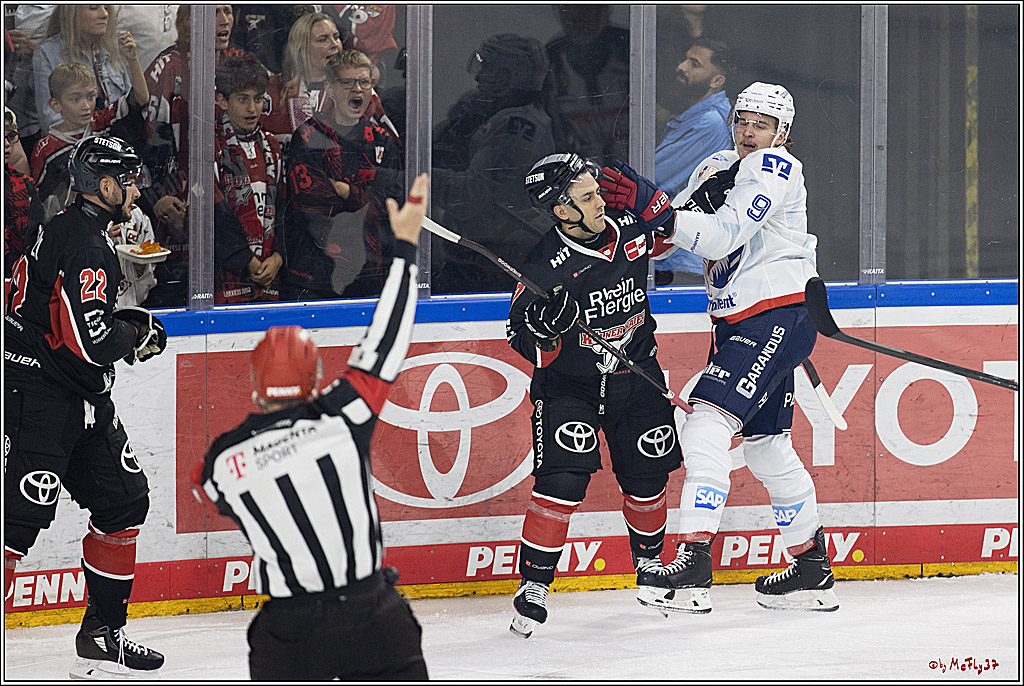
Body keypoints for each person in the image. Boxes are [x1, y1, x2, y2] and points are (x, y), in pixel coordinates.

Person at [598, 82, 839, 613]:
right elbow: (668, 237)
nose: (749, 131)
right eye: (743, 121)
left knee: (706, 423)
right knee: (767, 447)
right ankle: (811, 568)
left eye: (761, 124)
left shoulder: (776, 168)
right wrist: (612, 233)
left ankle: (694, 562)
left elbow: (723, 235)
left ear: (782, 133)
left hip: (775, 313)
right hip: (741, 320)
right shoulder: (717, 167)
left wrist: (659, 209)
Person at [193, 173, 431, 681]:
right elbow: (387, 340)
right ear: (315, 378)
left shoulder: (222, 460)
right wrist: (406, 248)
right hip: (373, 619)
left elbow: (209, 491)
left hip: (290, 632)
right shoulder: (341, 416)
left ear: (255, 385)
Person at [4, 135, 168, 679]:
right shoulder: (87, 247)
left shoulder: (71, 227)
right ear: (103, 185)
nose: (136, 190)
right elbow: (93, 340)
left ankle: (101, 635)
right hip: (38, 398)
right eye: (128, 181)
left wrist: (123, 326)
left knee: (123, 502)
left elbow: (66, 317)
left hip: (79, 396)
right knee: (12, 526)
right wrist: (137, 333)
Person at [506, 152, 684, 638]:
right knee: (562, 481)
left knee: (648, 479)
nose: (600, 202)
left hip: (637, 376)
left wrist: (658, 206)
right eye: (587, 197)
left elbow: (675, 236)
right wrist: (546, 329)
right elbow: (520, 337)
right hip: (570, 387)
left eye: (597, 192)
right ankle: (534, 585)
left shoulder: (627, 228)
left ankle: (649, 566)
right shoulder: (543, 265)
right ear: (562, 210)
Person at [430, 33, 555, 294]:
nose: (478, 77)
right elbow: (437, 150)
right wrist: (454, 127)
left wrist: (402, 179)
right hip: (472, 255)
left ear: (505, 77)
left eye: (486, 68)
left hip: (494, 262)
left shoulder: (518, 127)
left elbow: (470, 194)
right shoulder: (486, 111)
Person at [141, 5, 244, 308]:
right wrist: (155, 196)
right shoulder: (167, 66)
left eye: (228, 11)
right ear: (190, 21)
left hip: (225, 203)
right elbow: (146, 141)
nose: (224, 20)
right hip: (174, 205)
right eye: (215, 12)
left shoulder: (237, 62)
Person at [279, 49, 401, 301]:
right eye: (348, 82)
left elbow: (392, 205)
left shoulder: (382, 140)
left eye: (364, 82)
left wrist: (348, 192)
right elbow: (311, 205)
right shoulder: (309, 136)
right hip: (315, 276)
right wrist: (364, 196)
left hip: (370, 276)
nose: (358, 89)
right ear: (330, 88)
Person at [31, 31, 150, 221]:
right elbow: (38, 203)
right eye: (76, 99)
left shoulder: (101, 123)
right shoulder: (46, 149)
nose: (86, 106)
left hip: (111, 220)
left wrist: (133, 60)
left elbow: (141, 99)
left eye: (90, 96)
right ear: (55, 104)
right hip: (71, 227)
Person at [654, 37, 735, 282]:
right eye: (684, 59)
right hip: (681, 251)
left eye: (694, 64)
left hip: (682, 260)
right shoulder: (699, 115)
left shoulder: (708, 122)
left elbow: (653, 176)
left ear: (717, 81)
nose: (681, 67)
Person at [212, 54, 285, 304]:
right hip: (226, 283)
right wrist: (246, 260)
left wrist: (278, 257)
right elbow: (213, 213)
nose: (252, 108)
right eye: (243, 99)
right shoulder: (212, 144)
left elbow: (286, 208)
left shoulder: (272, 146)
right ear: (222, 100)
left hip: (270, 275)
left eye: (258, 99)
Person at [31, 5, 135, 136]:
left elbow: (132, 106)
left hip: (120, 140)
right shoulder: (47, 54)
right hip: (75, 144)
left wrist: (134, 61)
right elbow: (51, 121)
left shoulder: (114, 48)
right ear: (73, 14)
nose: (104, 14)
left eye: (106, 8)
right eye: (93, 8)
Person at [263, 12, 344, 148]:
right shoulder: (271, 89)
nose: (335, 44)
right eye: (323, 40)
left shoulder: (356, 87)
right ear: (300, 49)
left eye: (336, 37)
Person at [4, 108, 44, 279]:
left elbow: (37, 237)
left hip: (18, 279)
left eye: (10, 136)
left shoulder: (25, 185)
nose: (6, 144)